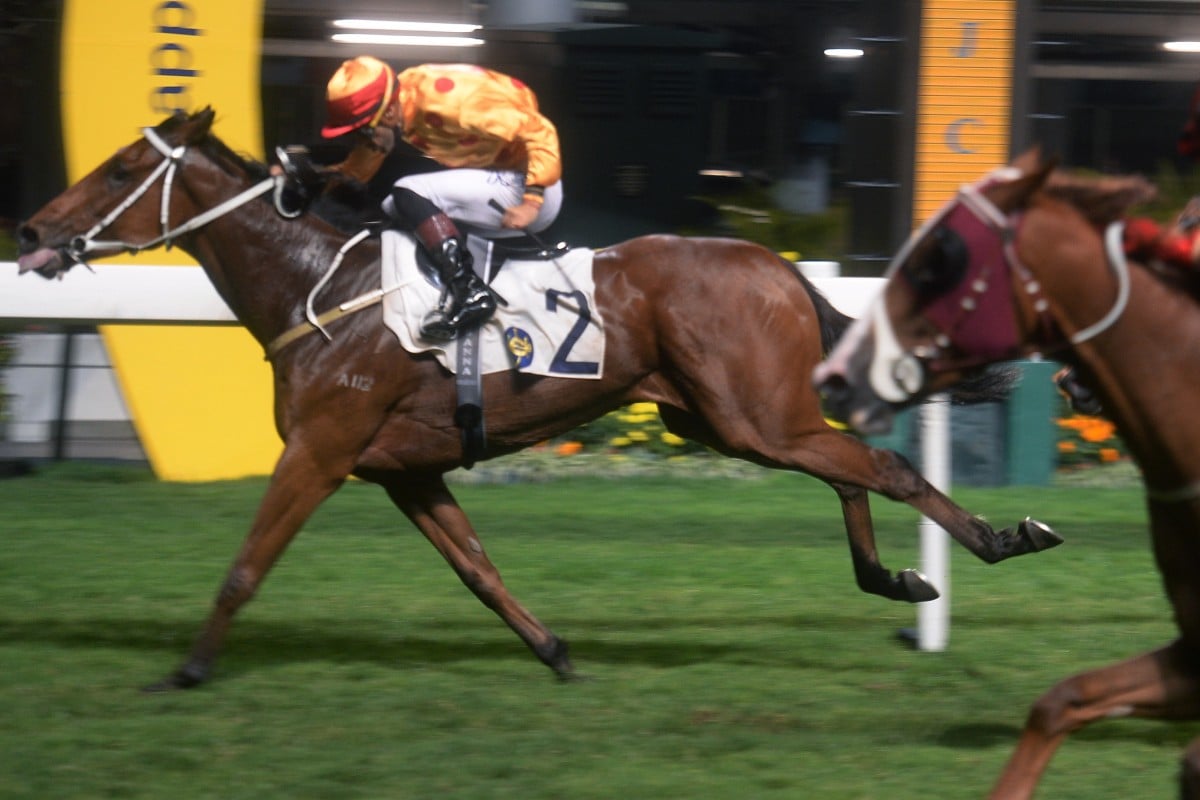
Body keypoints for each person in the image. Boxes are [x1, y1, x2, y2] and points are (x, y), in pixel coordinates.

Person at [320, 55, 564, 341]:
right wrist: (312, 178)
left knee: (408, 191)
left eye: (362, 131)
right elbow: (358, 168)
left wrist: (531, 201)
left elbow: (541, 131)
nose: (361, 140)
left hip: (530, 187)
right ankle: (443, 291)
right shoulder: (399, 101)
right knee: (393, 206)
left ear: (386, 115)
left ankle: (470, 292)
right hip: (497, 177)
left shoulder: (452, 103)